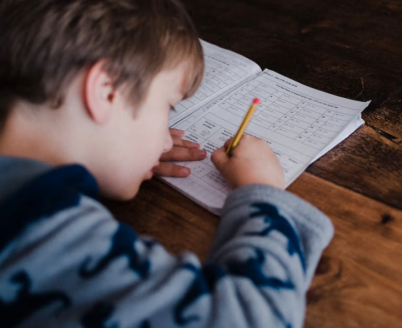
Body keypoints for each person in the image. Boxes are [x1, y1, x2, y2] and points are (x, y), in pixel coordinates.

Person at [0, 0, 334, 327]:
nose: (165, 139)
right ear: (106, 91)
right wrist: (262, 193)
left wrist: (114, 152)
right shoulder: (39, 231)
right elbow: (256, 318)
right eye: (168, 108)